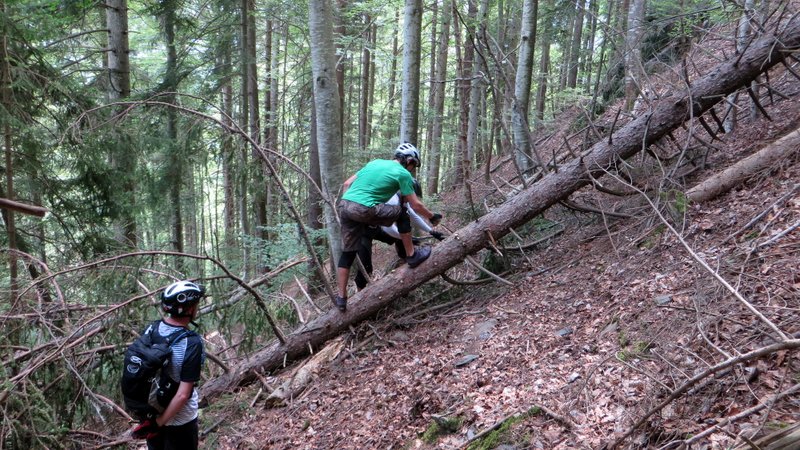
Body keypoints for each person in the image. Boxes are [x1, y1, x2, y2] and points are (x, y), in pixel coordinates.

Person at [335, 143, 442, 312]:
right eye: (414, 164)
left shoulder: (374, 163)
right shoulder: (403, 173)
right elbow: (415, 205)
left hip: (345, 205)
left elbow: (347, 184)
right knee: (402, 212)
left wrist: (350, 207)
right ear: (409, 161)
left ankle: (341, 298)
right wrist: (432, 217)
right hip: (364, 208)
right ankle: (412, 255)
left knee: (348, 254)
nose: (413, 169)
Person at [134, 280, 206, 450]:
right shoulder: (191, 342)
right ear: (188, 309)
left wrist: (155, 422)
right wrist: (159, 423)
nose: (197, 308)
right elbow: (182, 395)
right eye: (196, 304)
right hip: (180, 421)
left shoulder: (152, 329)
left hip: (152, 412)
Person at [354, 179, 444, 291]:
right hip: (361, 231)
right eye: (412, 196)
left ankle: (405, 260)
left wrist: (432, 231)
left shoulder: (403, 201)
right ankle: (359, 294)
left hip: (375, 227)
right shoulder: (392, 200)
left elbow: (414, 217)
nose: (413, 199)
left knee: (402, 239)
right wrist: (409, 238)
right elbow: (389, 228)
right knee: (365, 266)